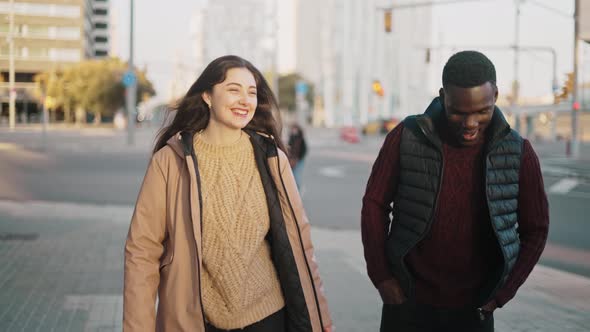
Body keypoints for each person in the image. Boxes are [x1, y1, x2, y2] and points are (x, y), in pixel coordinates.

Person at [124, 55, 332, 332]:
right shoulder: (171, 160)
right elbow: (142, 252)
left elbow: (301, 244)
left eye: (252, 92)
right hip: (197, 319)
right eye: (233, 90)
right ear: (208, 96)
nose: (245, 100)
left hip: (270, 316)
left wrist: (322, 323)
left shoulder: (271, 157)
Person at [361, 50, 549, 332]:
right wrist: (383, 278)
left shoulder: (519, 152)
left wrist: (501, 295)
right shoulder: (407, 136)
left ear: (495, 95)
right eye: (458, 112)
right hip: (407, 304)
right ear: (443, 95)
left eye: (482, 112)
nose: (470, 124)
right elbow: (374, 204)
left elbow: (536, 228)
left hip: (475, 311)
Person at [288, 123, 308, 189]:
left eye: (294, 129)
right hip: (292, 160)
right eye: (292, 129)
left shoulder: (300, 138)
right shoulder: (291, 138)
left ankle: (298, 192)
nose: (293, 130)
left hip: (299, 160)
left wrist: (298, 158)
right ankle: (295, 191)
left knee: (297, 176)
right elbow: (289, 148)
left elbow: (304, 150)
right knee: (292, 177)